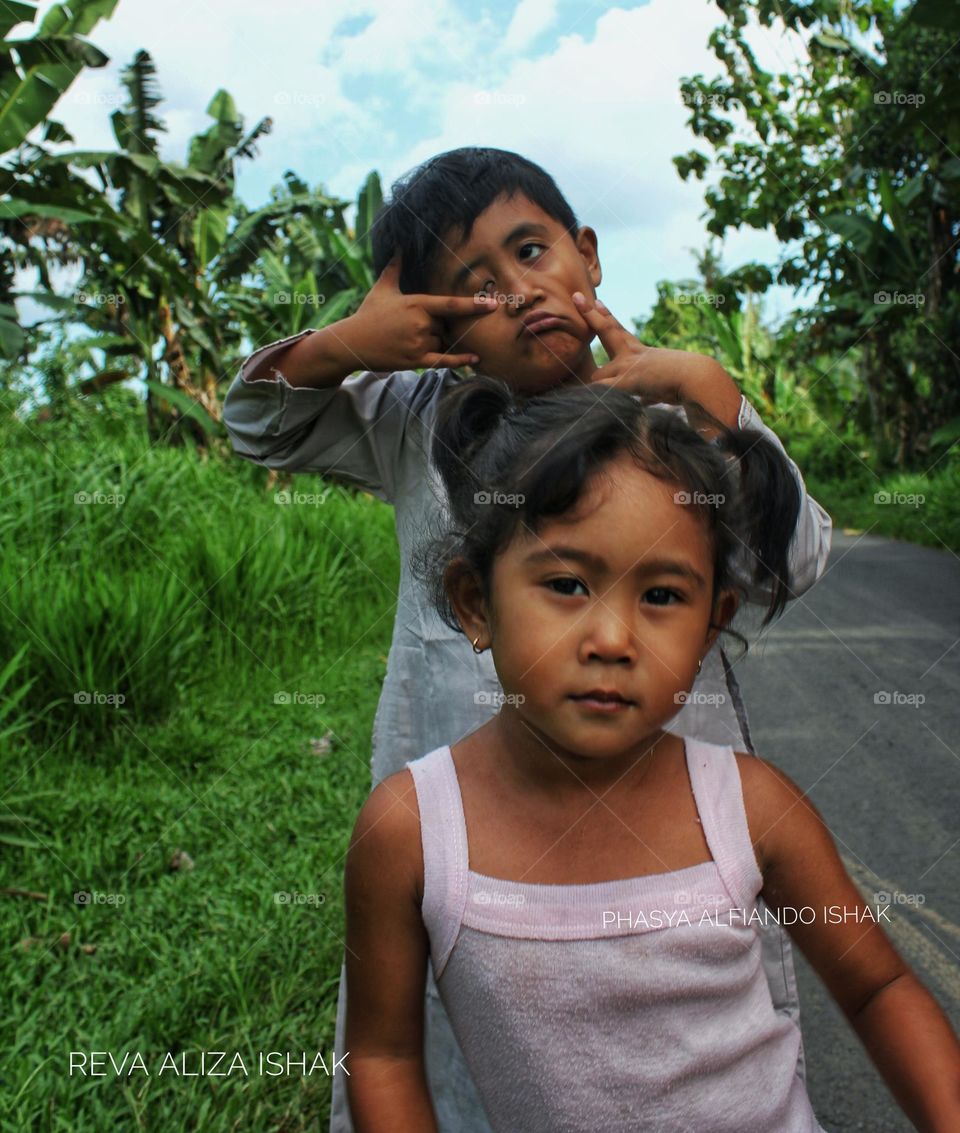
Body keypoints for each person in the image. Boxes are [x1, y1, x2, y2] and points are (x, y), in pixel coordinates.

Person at [221, 146, 832, 1132]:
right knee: (477, 1052)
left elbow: (795, 559)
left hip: (668, 823)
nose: (517, 292)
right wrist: (347, 342)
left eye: (533, 250)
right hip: (477, 834)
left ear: (588, 257)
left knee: (692, 1044)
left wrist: (718, 399)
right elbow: (255, 424)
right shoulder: (412, 418)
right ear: (436, 324)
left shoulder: (674, 415)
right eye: (475, 286)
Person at [343, 376, 960, 1133]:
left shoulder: (753, 806)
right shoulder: (411, 830)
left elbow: (877, 986)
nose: (613, 639)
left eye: (663, 596)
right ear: (476, 602)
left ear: (710, 626)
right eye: (567, 583)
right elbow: (382, 1057)